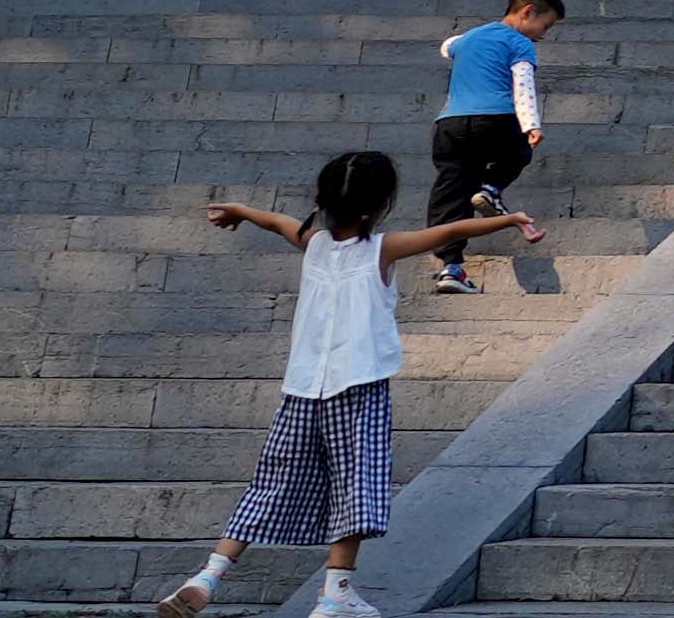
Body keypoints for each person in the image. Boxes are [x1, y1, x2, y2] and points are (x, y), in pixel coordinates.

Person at [154, 149, 544, 618]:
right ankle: (335, 593)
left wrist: (238, 211)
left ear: (323, 201)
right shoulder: (381, 249)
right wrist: (510, 220)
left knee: (272, 481)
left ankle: (209, 574)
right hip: (359, 387)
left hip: (302, 388)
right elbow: (452, 230)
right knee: (356, 484)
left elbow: (276, 220)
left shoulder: (312, 242)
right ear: (375, 208)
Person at [423, 0, 565, 296]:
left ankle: (451, 267)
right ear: (529, 11)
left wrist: (464, 41)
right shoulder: (520, 44)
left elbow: (447, 47)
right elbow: (523, 85)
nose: (544, 33)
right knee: (518, 153)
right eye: (546, 25)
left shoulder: (469, 38)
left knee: (451, 191)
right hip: (496, 119)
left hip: (450, 125)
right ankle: (490, 189)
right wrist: (531, 126)